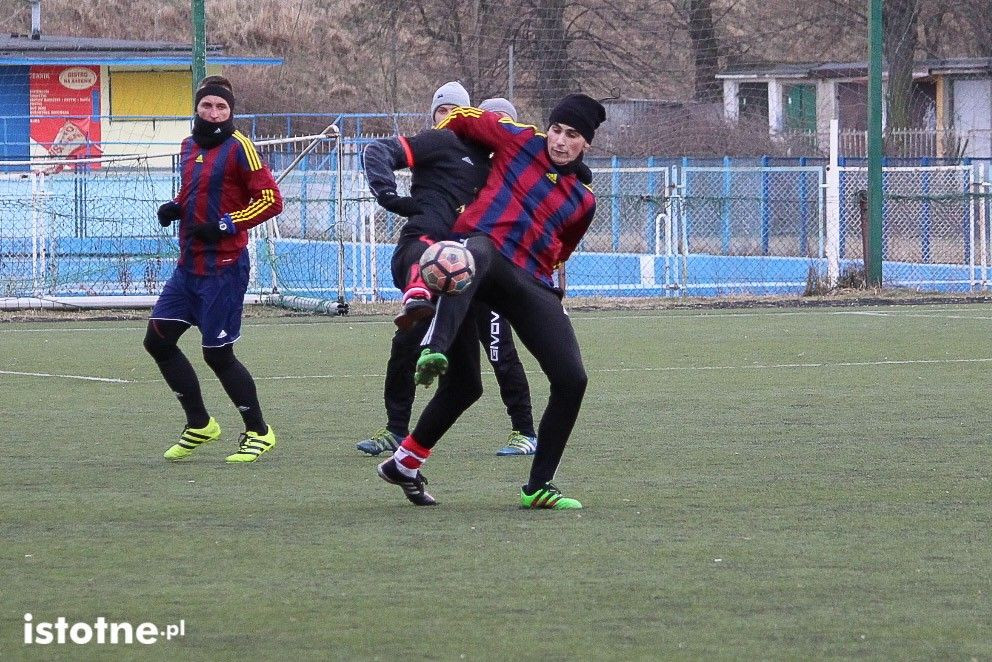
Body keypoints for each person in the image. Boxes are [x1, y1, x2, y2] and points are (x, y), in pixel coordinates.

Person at [375, 93, 605, 509]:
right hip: (478, 262)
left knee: (572, 380)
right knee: (475, 250)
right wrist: (444, 149)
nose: (559, 141)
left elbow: (563, 248)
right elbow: (462, 118)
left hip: (528, 278)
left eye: (572, 136)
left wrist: (550, 287)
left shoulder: (583, 202)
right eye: (556, 130)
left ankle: (535, 486)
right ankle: (434, 348)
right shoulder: (519, 139)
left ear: (585, 143)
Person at [357, 85, 539, 458]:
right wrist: (389, 195)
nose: (450, 117)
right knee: (406, 343)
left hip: (483, 275)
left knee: (499, 349)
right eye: (443, 110)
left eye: (457, 110)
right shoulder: (439, 145)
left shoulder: (504, 168)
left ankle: (524, 430)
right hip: (442, 267)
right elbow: (380, 150)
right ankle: (395, 429)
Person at [146, 82, 284, 463]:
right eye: (206, 105)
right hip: (188, 266)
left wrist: (226, 224)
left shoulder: (241, 148)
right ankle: (200, 424)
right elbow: (195, 191)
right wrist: (174, 206)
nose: (213, 113)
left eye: (221, 107)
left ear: (230, 111)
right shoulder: (189, 146)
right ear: (197, 107)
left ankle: (259, 431)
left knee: (218, 354)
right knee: (157, 340)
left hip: (223, 267)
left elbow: (272, 200)